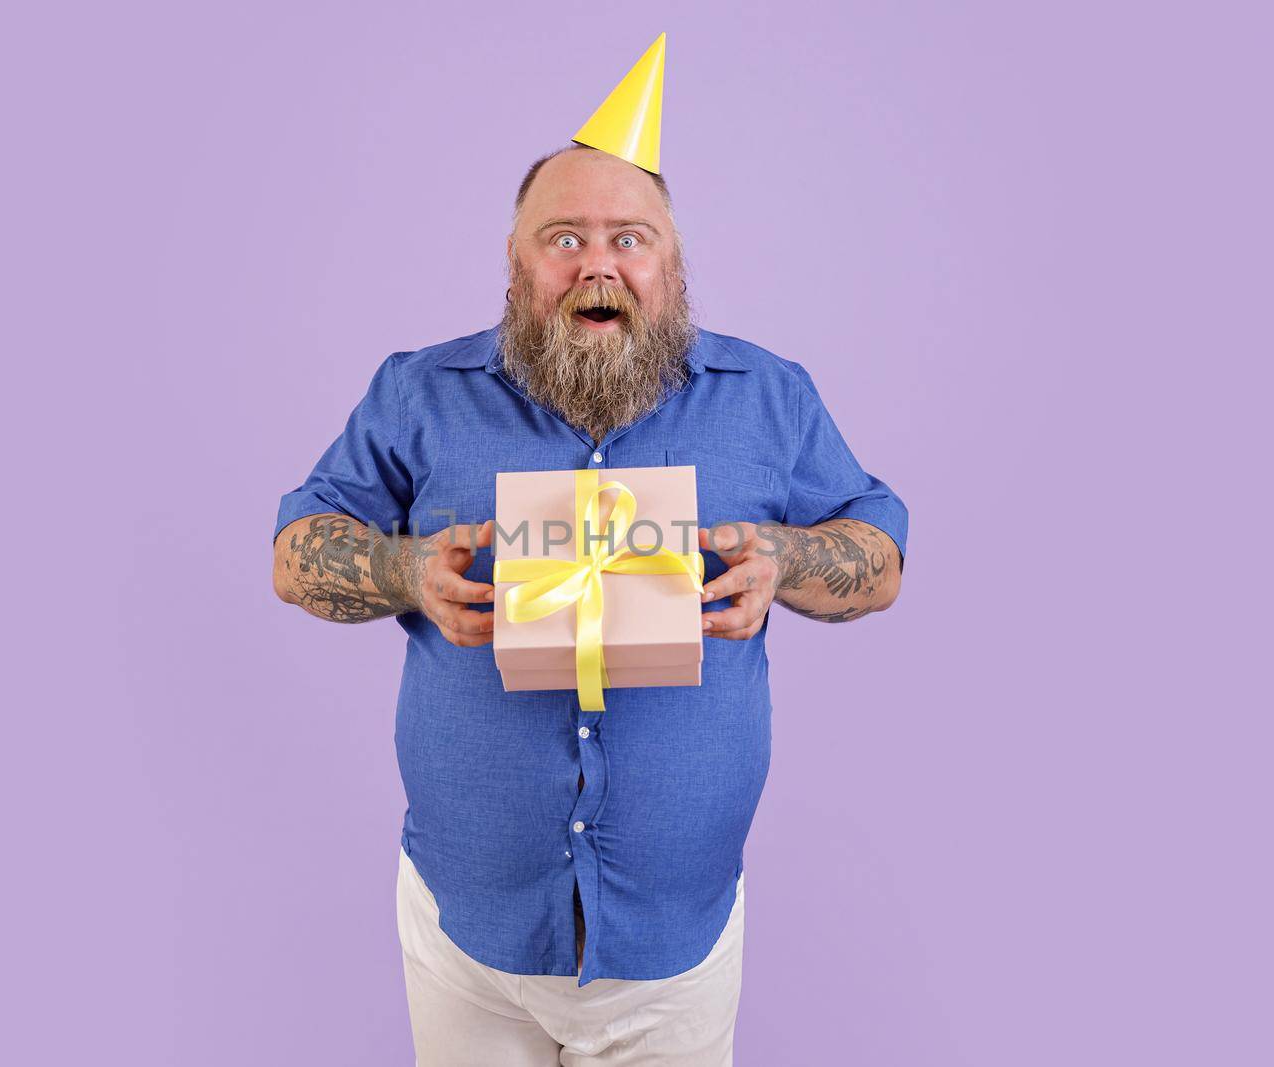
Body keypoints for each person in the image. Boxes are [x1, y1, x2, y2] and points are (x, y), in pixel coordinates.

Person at [271, 38, 907, 1067]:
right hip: (465, 935)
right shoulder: (417, 393)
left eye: (630, 236)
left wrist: (787, 560)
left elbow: (880, 552)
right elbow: (296, 548)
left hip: (675, 942)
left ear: (673, 265)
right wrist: (402, 571)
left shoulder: (769, 396)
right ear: (515, 265)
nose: (597, 262)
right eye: (562, 237)